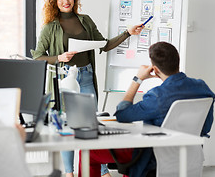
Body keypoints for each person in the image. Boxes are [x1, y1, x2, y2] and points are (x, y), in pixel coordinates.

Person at [31, 0, 144, 177]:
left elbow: (105, 45)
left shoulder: (85, 20)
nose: (66, 1)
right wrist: (58, 57)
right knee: (68, 127)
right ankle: (69, 173)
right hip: (66, 78)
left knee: (91, 126)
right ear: (54, 3)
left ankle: (101, 170)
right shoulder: (50, 27)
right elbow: (37, 56)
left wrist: (128, 32)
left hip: (86, 76)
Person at [78, 42, 215, 177]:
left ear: (154, 69)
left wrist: (137, 79)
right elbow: (206, 127)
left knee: (87, 150)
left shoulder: (157, 96)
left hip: (152, 159)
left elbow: (122, 115)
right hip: (189, 156)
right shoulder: (202, 87)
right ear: (177, 60)